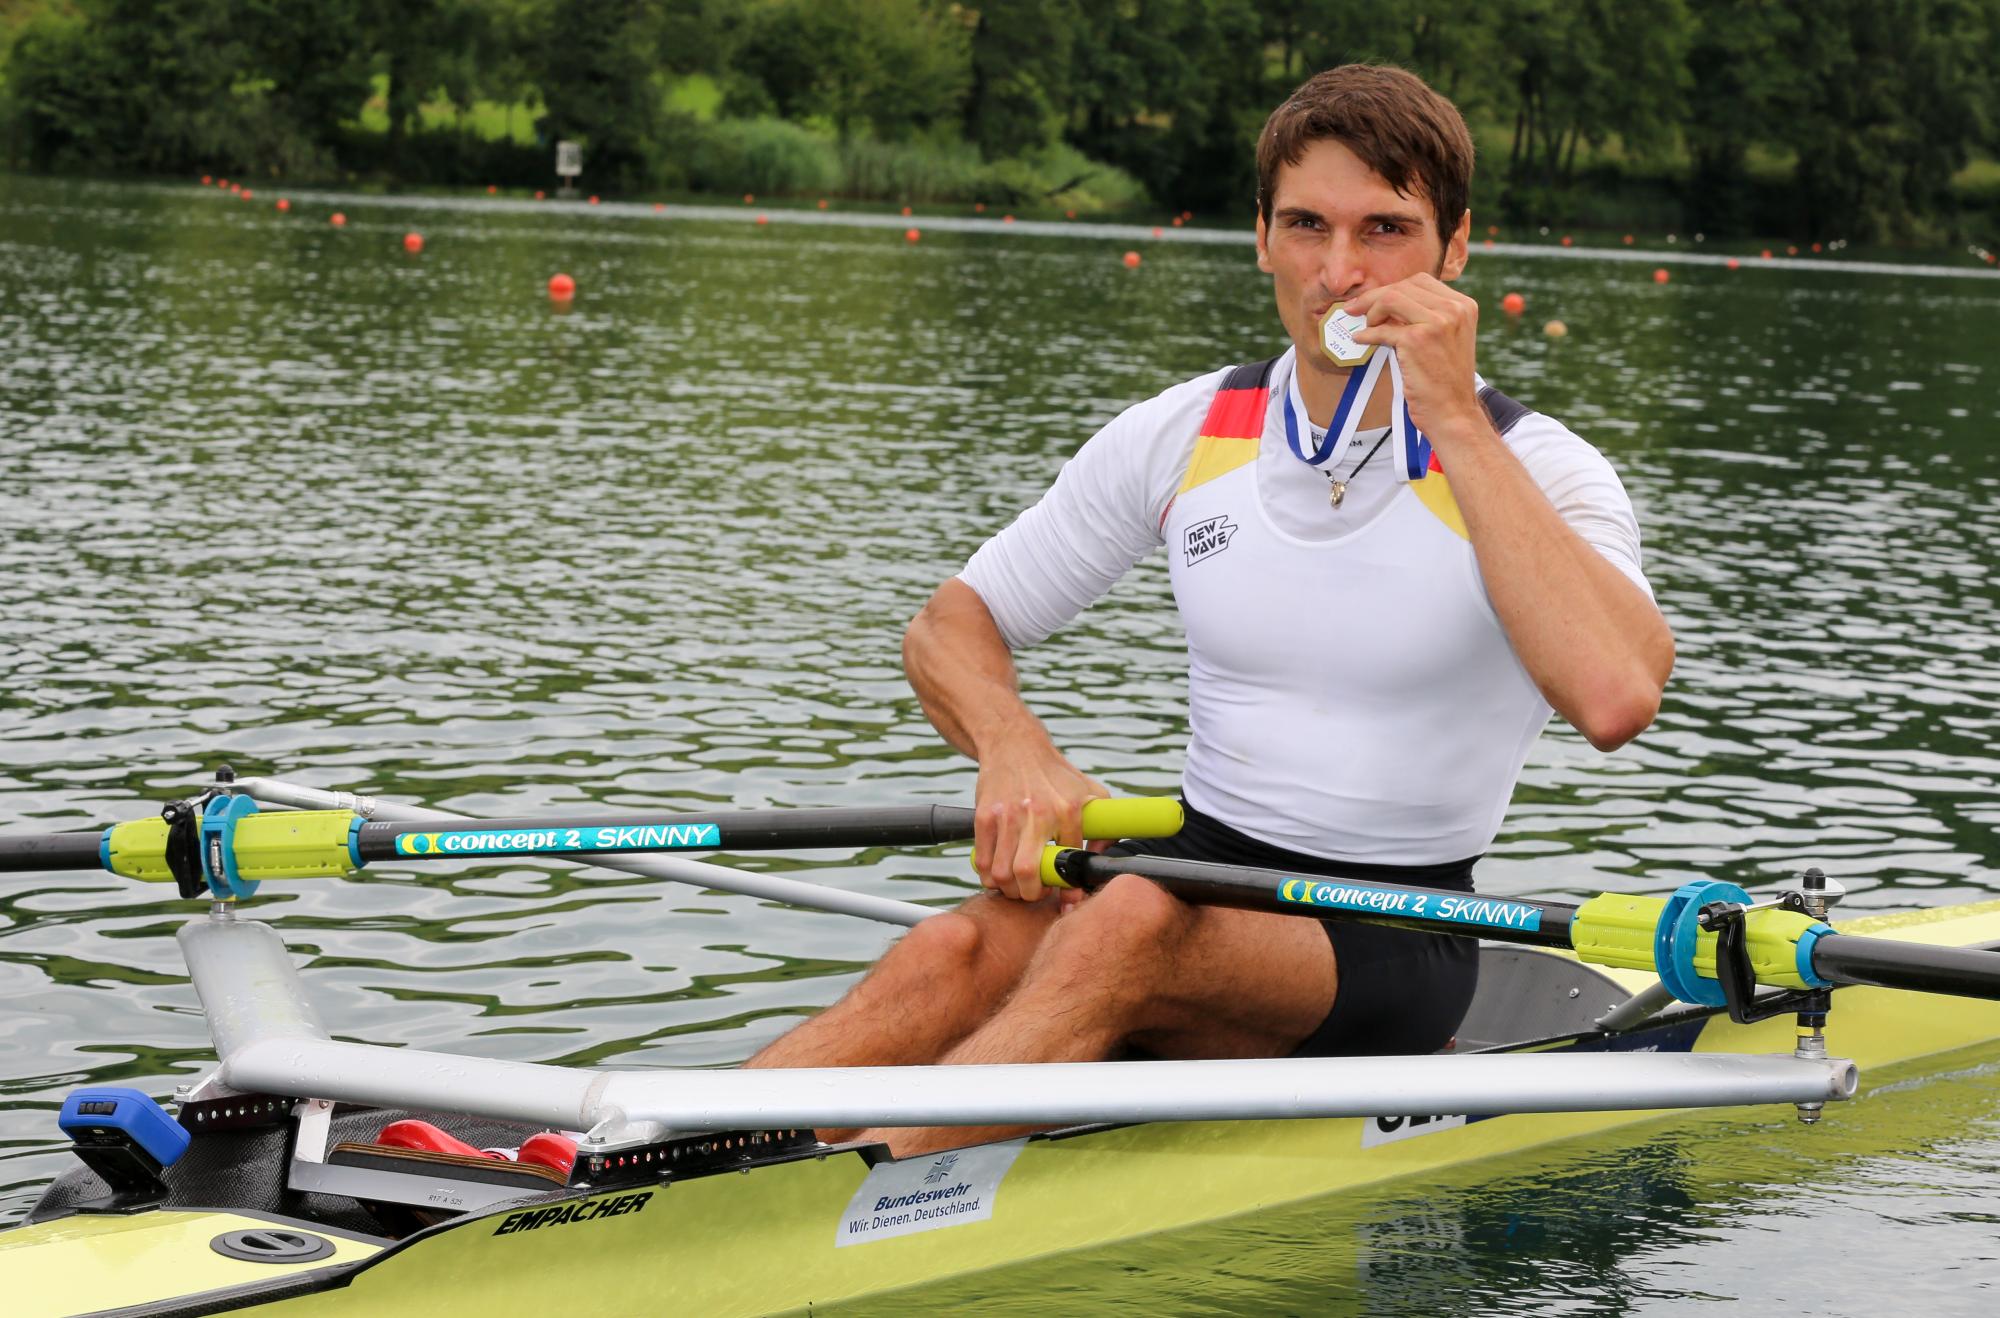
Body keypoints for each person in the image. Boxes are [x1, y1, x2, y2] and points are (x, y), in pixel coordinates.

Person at [746, 64, 1673, 1158]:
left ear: (1454, 248)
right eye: (1305, 226)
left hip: (1399, 930)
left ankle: (855, 1196)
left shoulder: (1536, 467)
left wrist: (1452, 421)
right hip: (1196, 873)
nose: (1337, 273)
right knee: (953, 952)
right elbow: (948, 627)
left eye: (1384, 229)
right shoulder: (1191, 430)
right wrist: (1014, 749)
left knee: (1128, 920)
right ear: (1259, 237)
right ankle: (635, 1161)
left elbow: (1616, 696)